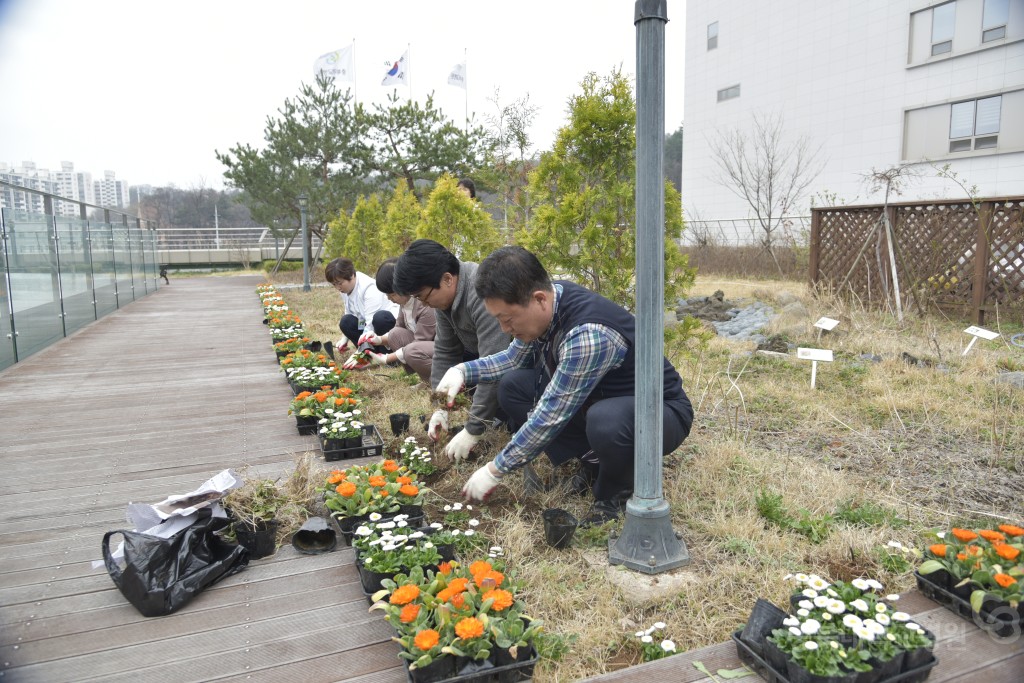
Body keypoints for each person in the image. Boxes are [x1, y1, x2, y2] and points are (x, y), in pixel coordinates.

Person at [434, 246, 693, 526]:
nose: (504, 329)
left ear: (539, 299)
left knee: (606, 421)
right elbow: (513, 359)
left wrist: (496, 469)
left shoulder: (587, 335)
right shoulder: (550, 301)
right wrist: (463, 370)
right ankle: (595, 463)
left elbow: (550, 416)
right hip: (599, 399)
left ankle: (616, 493)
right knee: (513, 387)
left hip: (657, 414)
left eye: (507, 320)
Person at [393, 239, 511, 461]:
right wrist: (440, 408)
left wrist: (473, 430)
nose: (424, 304)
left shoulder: (480, 292)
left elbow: (494, 364)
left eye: (422, 296)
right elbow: (445, 352)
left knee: (506, 387)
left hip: (515, 364)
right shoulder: (445, 300)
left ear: (447, 278)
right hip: (485, 356)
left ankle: (510, 419)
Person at [354, 258, 436, 383]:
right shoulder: (405, 303)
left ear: (405, 286)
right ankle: (424, 379)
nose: (389, 299)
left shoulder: (424, 305)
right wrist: (378, 340)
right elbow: (398, 328)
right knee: (395, 333)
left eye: (392, 294)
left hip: (439, 349)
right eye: (387, 295)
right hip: (421, 347)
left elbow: (420, 343)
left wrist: (386, 358)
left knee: (412, 350)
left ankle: (436, 379)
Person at [324, 257, 398, 359]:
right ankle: (369, 354)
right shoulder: (345, 290)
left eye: (340, 283)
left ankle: (388, 356)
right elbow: (355, 316)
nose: (338, 288)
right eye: (334, 284)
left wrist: (358, 353)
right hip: (369, 325)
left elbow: (370, 324)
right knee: (346, 321)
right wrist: (344, 339)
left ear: (351, 275)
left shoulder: (369, 288)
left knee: (380, 318)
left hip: (387, 325)